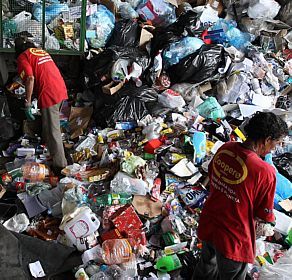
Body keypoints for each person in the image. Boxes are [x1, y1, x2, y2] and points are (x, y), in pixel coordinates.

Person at [193, 111, 288, 280]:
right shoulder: (265, 172)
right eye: (276, 143)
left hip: (210, 222)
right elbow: (264, 213)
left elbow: (212, 175)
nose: (275, 148)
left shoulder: (226, 148)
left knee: (205, 268)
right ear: (266, 140)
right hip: (233, 237)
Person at [14, 37, 68, 173]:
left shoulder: (23, 57)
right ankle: (48, 154)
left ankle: (61, 168)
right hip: (60, 88)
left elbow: (30, 78)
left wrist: (27, 102)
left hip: (49, 93)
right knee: (48, 126)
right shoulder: (40, 52)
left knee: (53, 131)